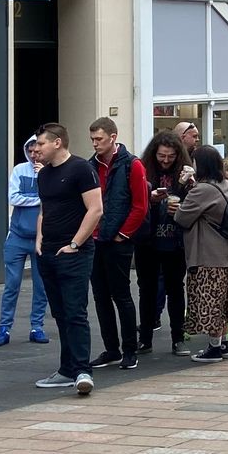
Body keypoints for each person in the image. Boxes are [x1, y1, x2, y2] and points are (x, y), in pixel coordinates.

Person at [31, 123, 103, 394]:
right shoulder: (44, 175)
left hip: (74, 254)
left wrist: (75, 243)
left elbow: (95, 210)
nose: (36, 149)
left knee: (75, 312)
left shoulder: (81, 169)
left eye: (40, 144)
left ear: (57, 142)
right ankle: (66, 369)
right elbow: (44, 210)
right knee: (60, 313)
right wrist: (39, 239)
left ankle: (83, 370)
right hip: (47, 253)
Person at [86, 118, 148, 373]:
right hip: (95, 239)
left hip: (117, 240)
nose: (95, 144)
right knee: (100, 296)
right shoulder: (91, 165)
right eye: (92, 139)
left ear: (113, 137)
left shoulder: (132, 165)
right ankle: (111, 348)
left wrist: (123, 234)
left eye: (99, 139)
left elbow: (140, 205)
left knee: (121, 295)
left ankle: (130, 349)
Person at [174, 145, 228, 362]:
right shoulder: (225, 185)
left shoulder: (203, 190)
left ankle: (213, 348)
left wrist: (182, 189)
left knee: (209, 302)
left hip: (208, 254)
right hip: (227, 253)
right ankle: (223, 345)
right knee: (223, 303)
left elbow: (182, 217)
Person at [136, 129, 189, 355]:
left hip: (175, 241)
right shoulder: (143, 171)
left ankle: (178, 338)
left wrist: (183, 201)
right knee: (146, 289)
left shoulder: (185, 174)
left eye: (170, 156)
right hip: (148, 239)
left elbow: (196, 203)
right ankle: (145, 338)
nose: (166, 161)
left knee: (175, 289)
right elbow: (134, 201)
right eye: (161, 156)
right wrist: (151, 200)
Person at [0, 137, 49, 349]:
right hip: (17, 236)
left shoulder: (49, 171)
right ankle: (4, 328)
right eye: (31, 151)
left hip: (41, 237)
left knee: (41, 285)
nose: (34, 155)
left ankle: (37, 326)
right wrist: (38, 198)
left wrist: (42, 178)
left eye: (38, 151)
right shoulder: (19, 170)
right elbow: (14, 198)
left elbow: (53, 198)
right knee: (12, 284)